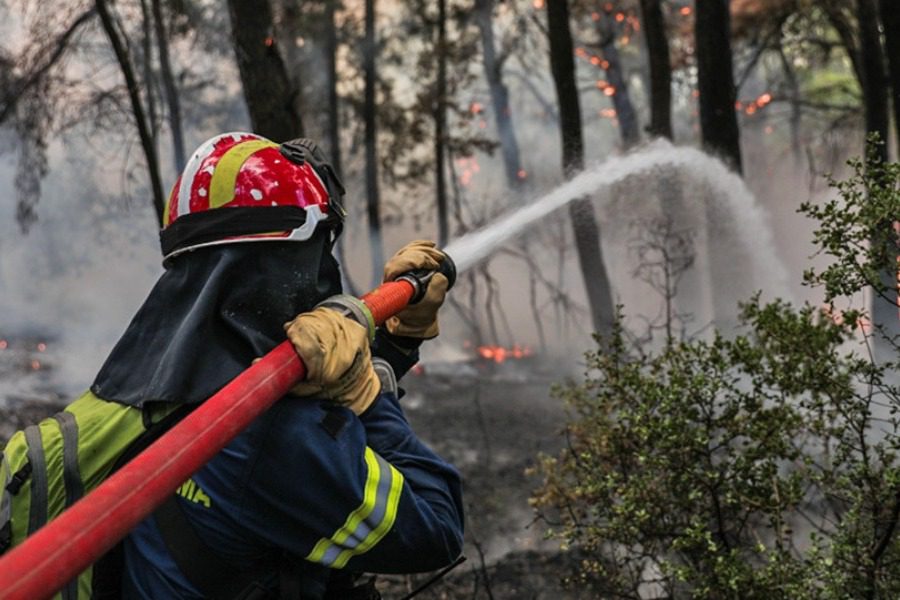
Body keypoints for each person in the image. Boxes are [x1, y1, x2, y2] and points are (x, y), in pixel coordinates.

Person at [89, 132, 463, 598]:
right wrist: (369, 396)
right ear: (287, 263)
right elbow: (436, 526)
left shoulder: (142, 388)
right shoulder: (270, 437)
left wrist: (395, 342)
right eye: (317, 254)